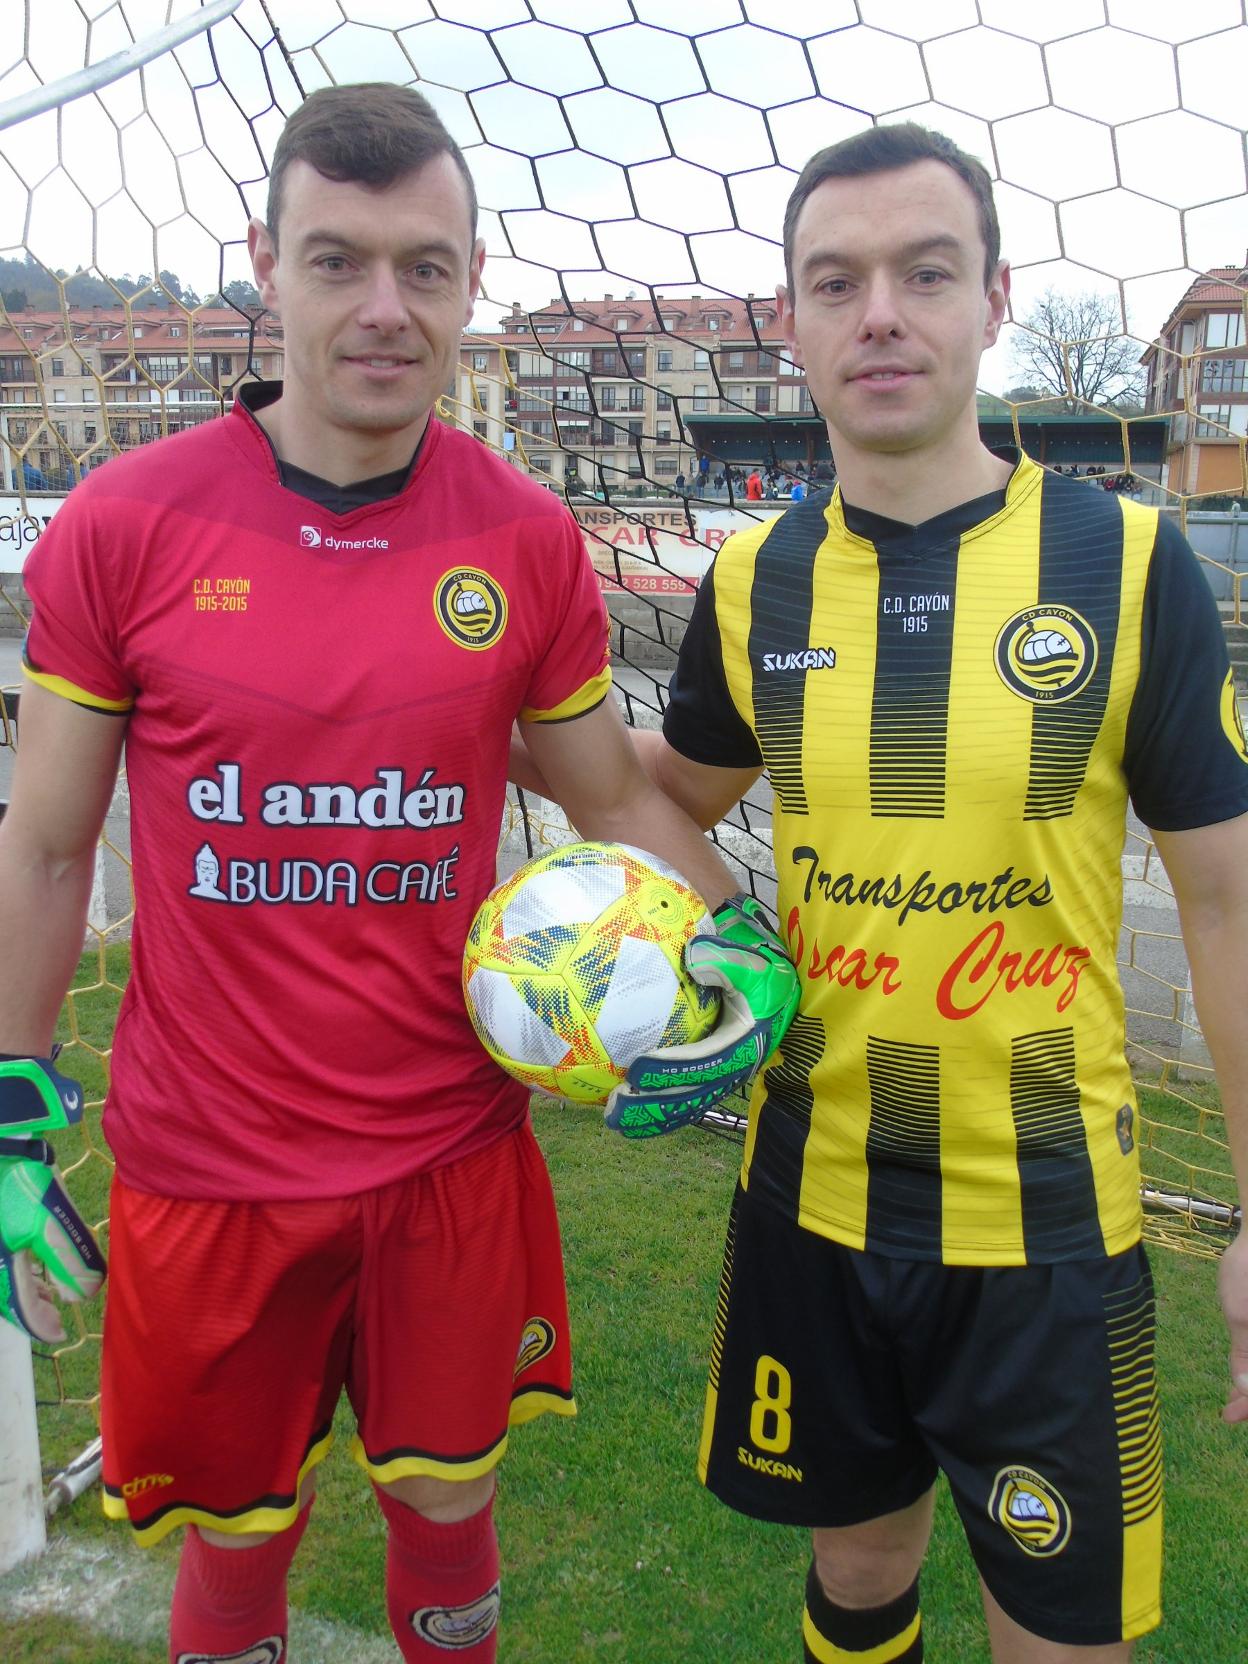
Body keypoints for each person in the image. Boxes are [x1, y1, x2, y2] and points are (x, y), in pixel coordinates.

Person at [0, 82, 799, 1664]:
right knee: (239, 1529)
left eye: (424, 268)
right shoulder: (121, 525)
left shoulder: (520, 539)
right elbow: (43, 839)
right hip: (209, 1160)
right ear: (265, 264)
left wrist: (743, 935)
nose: (384, 308)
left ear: (472, 280)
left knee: (449, 1503)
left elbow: (607, 798)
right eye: (339, 261)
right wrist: (12, 1091)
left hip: (449, 1147)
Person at [610, 123, 1248, 1661]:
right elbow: (668, 793)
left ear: (995, 299)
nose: (879, 311)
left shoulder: (1127, 561)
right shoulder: (754, 576)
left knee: (1061, 1635)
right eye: (837, 280)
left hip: (1047, 1223)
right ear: (790, 321)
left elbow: (1227, 903)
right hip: (810, 1194)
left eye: (922, 272)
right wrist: (504, 703)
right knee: (855, 1574)